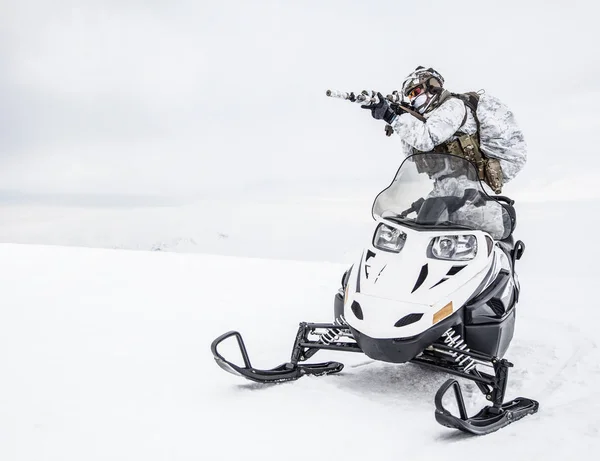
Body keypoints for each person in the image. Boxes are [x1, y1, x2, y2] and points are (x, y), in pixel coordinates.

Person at [362, 66, 527, 240]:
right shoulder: (428, 119)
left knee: (472, 227)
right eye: (410, 96)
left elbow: (426, 139)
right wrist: (402, 117)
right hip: (447, 185)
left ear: (432, 86)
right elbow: (413, 155)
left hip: (473, 184)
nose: (413, 99)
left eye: (416, 91)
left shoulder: (453, 106)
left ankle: (502, 248)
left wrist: (392, 117)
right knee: (420, 226)